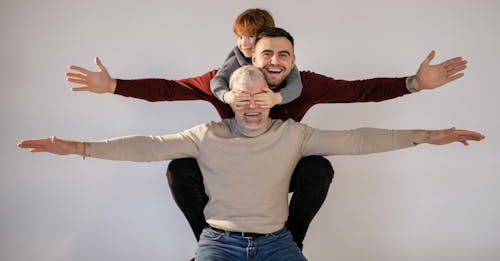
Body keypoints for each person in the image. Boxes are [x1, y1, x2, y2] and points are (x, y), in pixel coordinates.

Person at [65, 24, 467, 251]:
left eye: (283, 56)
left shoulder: (308, 86)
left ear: (293, 61)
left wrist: (415, 83)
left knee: (318, 167)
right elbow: (168, 89)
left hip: (286, 164)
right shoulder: (223, 82)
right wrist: (114, 85)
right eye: (266, 55)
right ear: (251, 57)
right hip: (229, 171)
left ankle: (290, 242)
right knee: (178, 166)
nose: (274, 62)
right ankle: (209, 243)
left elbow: (360, 92)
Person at [20, 66, 484, 261]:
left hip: (278, 244)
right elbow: (147, 145)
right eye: (240, 96)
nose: (250, 103)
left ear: (272, 96)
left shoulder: (293, 134)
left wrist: (426, 136)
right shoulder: (206, 135)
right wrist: (79, 146)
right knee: (174, 168)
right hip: (218, 244)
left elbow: (358, 138)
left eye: (258, 95)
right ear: (228, 98)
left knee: (322, 164)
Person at [210, 8, 303, 107]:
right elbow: (218, 80)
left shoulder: (280, 62)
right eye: (240, 37)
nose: (244, 43)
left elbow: (296, 85)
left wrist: (276, 98)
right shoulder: (236, 59)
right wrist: (227, 96)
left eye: (251, 36)